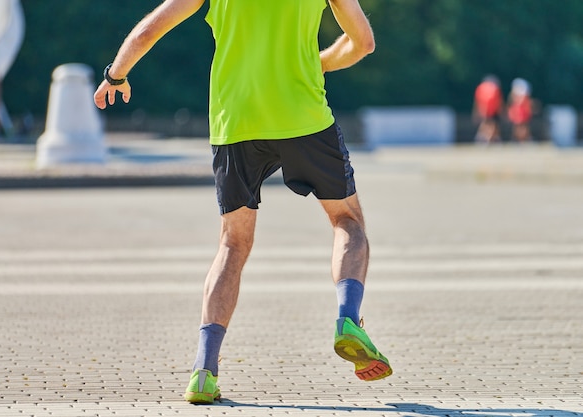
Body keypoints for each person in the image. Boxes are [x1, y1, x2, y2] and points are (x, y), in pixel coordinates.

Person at [94, 0, 392, 404]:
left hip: (235, 122)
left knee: (233, 244)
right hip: (302, 115)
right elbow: (364, 43)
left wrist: (116, 74)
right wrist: (314, 62)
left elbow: (152, 29)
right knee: (347, 221)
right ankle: (347, 317)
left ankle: (204, 370)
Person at [472, 75, 503, 144]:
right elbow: (499, 101)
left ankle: (482, 137)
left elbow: (477, 101)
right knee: (493, 125)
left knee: (485, 124)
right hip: (493, 111)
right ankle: (490, 139)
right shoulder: (495, 88)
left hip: (483, 110)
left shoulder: (480, 88)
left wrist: (476, 112)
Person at [507, 78, 535, 143]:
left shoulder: (521, 94)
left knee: (522, 126)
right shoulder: (516, 95)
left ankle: (524, 139)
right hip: (518, 111)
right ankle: (519, 140)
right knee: (518, 126)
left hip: (522, 111)